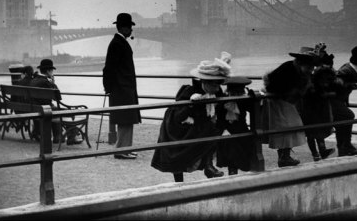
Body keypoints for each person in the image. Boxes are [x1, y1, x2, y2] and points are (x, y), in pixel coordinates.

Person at [151, 53, 231, 182]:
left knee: (212, 132)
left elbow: (219, 109)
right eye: (213, 85)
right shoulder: (188, 92)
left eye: (218, 85)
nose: (216, 88)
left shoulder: (216, 92)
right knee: (176, 153)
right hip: (178, 127)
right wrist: (191, 105)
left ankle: (208, 166)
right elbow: (178, 116)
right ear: (204, 82)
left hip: (197, 126)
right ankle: (179, 182)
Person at [262, 47, 316, 168]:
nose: (311, 70)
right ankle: (284, 157)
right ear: (302, 63)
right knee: (288, 127)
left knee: (286, 128)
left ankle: (284, 156)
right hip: (277, 100)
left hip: (284, 101)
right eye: (310, 67)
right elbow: (274, 85)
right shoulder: (288, 69)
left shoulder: (297, 70)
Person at [103, 13, 141, 160]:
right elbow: (109, 69)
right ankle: (121, 150)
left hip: (124, 88)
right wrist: (108, 88)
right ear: (124, 28)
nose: (131, 30)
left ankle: (126, 148)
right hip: (122, 89)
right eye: (130, 27)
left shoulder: (119, 42)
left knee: (128, 119)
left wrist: (108, 87)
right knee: (125, 119)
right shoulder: (117, 44)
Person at [216, 76, 255, 175]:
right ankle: (232, 173)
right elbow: (219, 118)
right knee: (231, 154)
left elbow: (252, 109)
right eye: (234, 93)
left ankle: (236, 171)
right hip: (226, 130)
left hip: (241, 128)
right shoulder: (222, 101)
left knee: (243, 153)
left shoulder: (243, 100)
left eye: (239, 93)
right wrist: (223, 129)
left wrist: (252, 97)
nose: (236, 95)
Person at [302, 66, 337, 161]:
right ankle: (321, 151)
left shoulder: (311, 83)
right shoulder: (314, 86)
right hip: (315, 112)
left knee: (311, 134)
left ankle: (316, 153)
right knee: (316, 133)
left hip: (309, 112)